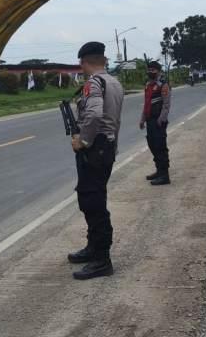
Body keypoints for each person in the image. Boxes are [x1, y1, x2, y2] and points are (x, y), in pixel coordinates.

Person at [68, 41, 124, 280]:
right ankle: (93, 248)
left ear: (84, 62)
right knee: (93, 197)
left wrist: (84, 141)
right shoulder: (114, 81)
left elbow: (93, 114)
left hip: (96, 148)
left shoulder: (94, 83)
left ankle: (102, 259)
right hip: (106, 147)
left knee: (93, 202)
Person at [140, 61, 171, 185]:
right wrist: (142, 119)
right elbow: (146, 104)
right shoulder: (148, 85)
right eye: (149, 70)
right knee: (152, 145)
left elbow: (166, 105)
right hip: (149, 121)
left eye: (153, 70)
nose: (150, 72)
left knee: (160, 147)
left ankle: (165, 176)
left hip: (158, 122)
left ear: (158, 71)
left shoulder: (163, 85)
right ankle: (159, 171)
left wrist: (161, 119)